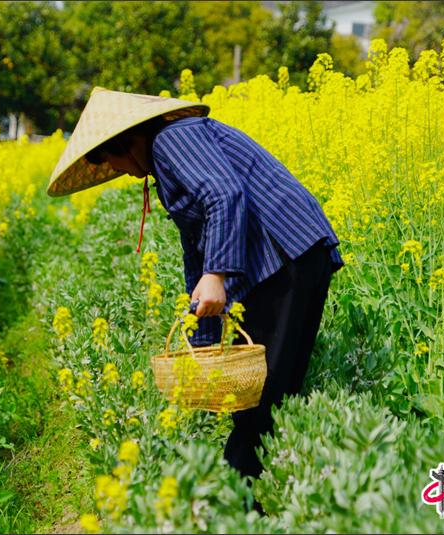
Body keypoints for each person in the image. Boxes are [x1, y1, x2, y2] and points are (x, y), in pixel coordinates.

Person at [46, 87, 344, 517]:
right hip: (291, 254)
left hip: (286, 252)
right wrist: (202, 333)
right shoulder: (168, 159)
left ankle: (232, 505)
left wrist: (217, 273)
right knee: (272, 389)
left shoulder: (172, 139)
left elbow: (224, 195)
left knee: (263, 392)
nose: (119, 171)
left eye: (111, 160)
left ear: (124, 142)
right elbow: (197, 250)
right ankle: (261, 501)